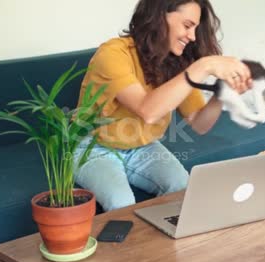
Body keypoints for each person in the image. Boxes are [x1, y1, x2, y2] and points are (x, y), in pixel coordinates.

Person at [73, 0, 252, 212]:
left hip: (143, 146)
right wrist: (204, 65)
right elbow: (147, 111)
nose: (193, 37)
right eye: (187, 25)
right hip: (93, 147)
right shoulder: (112, 54)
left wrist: (222, 94)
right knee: (122, 203)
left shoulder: (176, 64)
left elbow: (200, 124)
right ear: (159, 16)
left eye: (195, 29)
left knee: (183, 188)